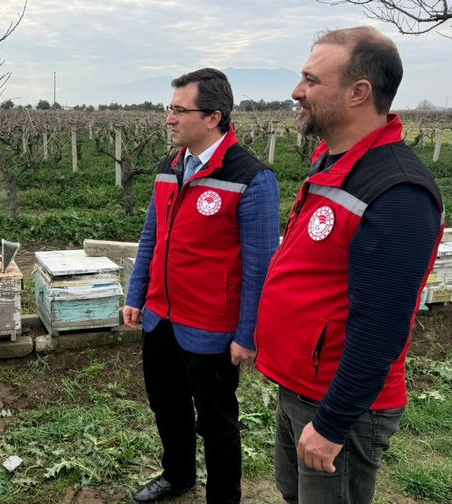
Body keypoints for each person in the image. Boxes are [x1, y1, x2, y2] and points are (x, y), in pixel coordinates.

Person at [254, 27, 443, 504]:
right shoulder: (333, 163)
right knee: (294, 495)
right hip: (302, 386)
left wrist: (333, 423)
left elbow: (381, 327)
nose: (297, 91)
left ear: (359, 93)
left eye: (311, 80)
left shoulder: (398, 191)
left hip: (340, 405)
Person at [124, 68, 280, 504]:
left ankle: (224, 497)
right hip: (161, 319)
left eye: (178, 110)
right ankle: (178, 476)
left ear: (213, 117)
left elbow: (259, 268)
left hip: (211, 329)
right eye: (168, 109)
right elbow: (151, 238)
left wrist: (248, 335)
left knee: (216, 422)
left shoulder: (251, 177)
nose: (168, 119)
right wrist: (137, 296)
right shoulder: (168, 167)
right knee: (167, 407)